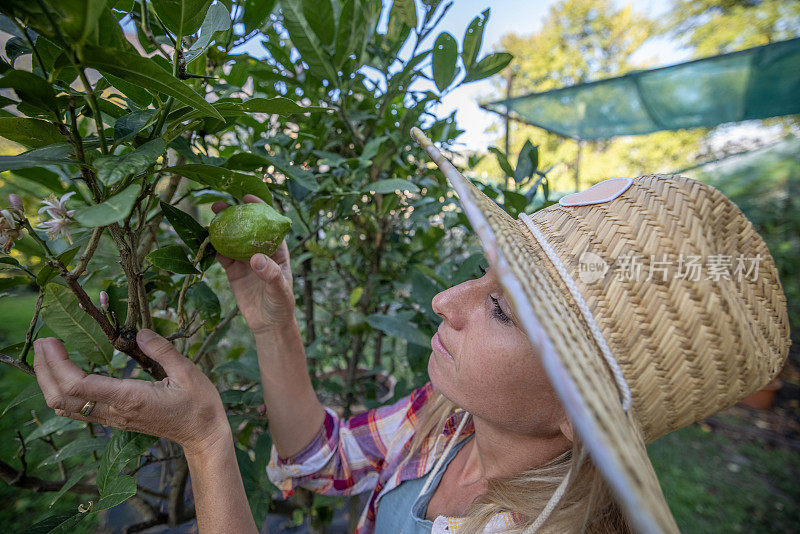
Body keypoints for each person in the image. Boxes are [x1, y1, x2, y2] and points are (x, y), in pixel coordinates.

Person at [32, 128, 791, 534]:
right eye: (484, 276)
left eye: (499, 308)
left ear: (578, 410)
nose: (445, 300)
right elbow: (323, 457)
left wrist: (205, 441)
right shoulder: (451, 423)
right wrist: (274, 323)